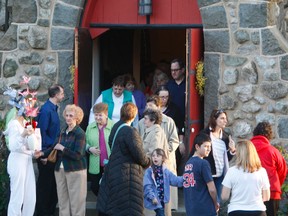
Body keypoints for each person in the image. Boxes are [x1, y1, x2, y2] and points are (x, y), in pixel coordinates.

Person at [96, 103, 151, 216]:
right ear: (134, 115)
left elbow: (112, 145)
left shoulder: (115, 127)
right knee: (127, 209)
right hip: (127, 176)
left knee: (113, 207)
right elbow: (139, 155)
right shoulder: (130, 131)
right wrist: (148, 161)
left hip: (114, 172)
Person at [138, 95, 183, 213]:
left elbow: (174, 141)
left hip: (161, 162)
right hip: (149, 164)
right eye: (147, 106)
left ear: (158, 107)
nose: (149, 108)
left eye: (151, 106)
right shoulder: (142, 122)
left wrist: (164, 152)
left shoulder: (168, 121)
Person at [40, 104, 87, 216]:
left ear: (77, 118)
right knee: (62, 202)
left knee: (77, 204)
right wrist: (42, 154)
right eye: (66, 115)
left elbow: (78, 155)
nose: (68, 118)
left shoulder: (80, 133)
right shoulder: (62, 131)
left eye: (71, 115)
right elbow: (54, 147)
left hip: (75, 170)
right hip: (59, 170)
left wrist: (63, 148)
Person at [4, 110, 42, 216]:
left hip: (27, 160)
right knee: (17, 195)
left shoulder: (26, 122)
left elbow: (28, 146)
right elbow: (13, 146)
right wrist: (23, 134)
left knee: (30, 196)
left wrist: (33, 152)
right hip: (17, 161)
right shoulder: (13, 124)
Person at [36, 84, 65, 216]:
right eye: (62, 93)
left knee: (52, 187)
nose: (63, 96)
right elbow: (40, 133)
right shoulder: (46, 110)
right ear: (55, 95)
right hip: (47, 154)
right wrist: (43, 155)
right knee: (45, 188)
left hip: (53, 152)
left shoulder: (53, 109)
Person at [221, 140, 270, 216]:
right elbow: (266, 197)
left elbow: (224, 196)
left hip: (236, 211)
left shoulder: (231, 171)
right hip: (258, 210)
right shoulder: (262, 171)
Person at [251, 122, 287, 216]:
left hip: (250, 192)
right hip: (271, 192)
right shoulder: (273, 151)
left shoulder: (247, 150)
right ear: (269, 135)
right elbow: (283, 170)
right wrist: (276, 184)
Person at [202, 108, 236, 202]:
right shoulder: (205, 135)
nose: (225, 121)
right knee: (207, 201)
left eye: (225, 118)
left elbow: (226, 159)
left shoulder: (226, 137)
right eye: (222, 118)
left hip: (220, 175)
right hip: (207, 174)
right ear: (214, 119)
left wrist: (232, 150)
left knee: (217, 202)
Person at [183, 133, 219, 216]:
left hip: (191, 208)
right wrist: (215, 203)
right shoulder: (203, 163)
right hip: (205, 208)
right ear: (197, 147)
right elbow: (212, 189)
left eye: (210, 146)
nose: (209, 149)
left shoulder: (188, 163)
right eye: (206, 146)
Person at [85, 103, 114, 196]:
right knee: (95, 188)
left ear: (106, 114)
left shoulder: (113, 126)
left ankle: (106, 209)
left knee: (110, 188)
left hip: (110, 164)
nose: (97, 117)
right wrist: (89, 148)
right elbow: (84, 142)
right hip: (95, 164)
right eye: (96, 115)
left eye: (100, 115)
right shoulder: (90, 127)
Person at [143, 148, 183, 216]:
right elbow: (147, 186)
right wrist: (152, 197)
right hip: (155, 199)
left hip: (162, 200)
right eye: (153, 156)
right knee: (161, 213)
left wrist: (185, 178)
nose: (155, 157)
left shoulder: (166, 171)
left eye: (158, 156)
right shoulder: (149, 171)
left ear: (162, 158)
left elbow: (175, 180)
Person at [156, 85, 185, 175]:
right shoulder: (153, 109)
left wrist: (181, 143)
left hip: (170, 142)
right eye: (162, 97)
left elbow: (180, 127)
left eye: (166, 97)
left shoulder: (174, 109)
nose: (164, 99)